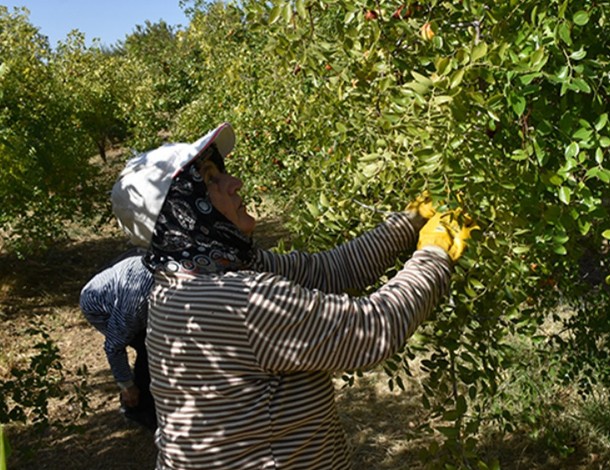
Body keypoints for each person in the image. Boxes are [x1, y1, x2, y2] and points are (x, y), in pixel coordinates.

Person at [109, 122, 476, 469]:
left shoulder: (187, 280)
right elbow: (373, 328)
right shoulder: (239, 300)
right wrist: (434, 253)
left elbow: (333, 270)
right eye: (209, 179)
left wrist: (410, 220)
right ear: (183, 211)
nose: (234, 183)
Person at [79, 247, 157, 431]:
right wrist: (126, 385)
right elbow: (113, 346)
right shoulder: (136, 303)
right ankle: (138, 408)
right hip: (100, 304)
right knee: (149, 350)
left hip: (125, 278)